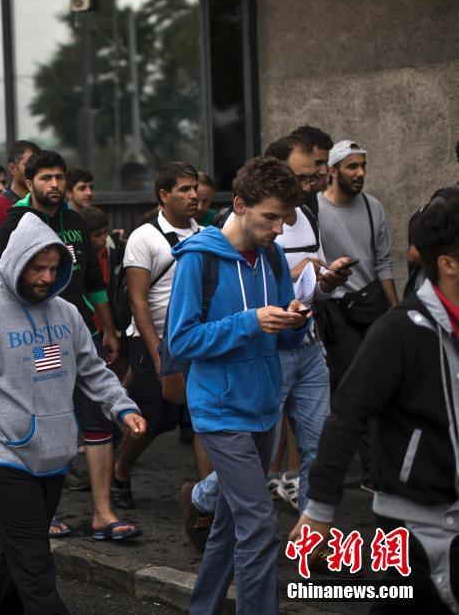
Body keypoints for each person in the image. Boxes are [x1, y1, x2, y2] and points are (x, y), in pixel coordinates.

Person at [0, 213, 146, 615]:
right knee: (36, 564)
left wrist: (122, 406)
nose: (46, 277)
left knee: (21, 552)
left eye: (53, 268)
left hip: (55, 452)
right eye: (36, 268)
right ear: (15, 264)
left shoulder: (67, 312)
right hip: (5, 456)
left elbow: (93, 370)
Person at [291, 191, 459, 611]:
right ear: (449, 264)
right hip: (412, 519)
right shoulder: (399, 331)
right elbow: (346, 416)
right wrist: (320, 510)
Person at [185, 139, 354, 549]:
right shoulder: (211, 248)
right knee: (254, 501)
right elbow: (186, 337)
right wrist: (254, 320)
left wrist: (314, 292)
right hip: (248, 374)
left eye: (313, 176)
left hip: (304, 349)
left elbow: (289, 302)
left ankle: (311, 541)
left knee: (317, 447)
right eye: (299, 176)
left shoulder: (302, 219)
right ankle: (200, 499)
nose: (308, 184)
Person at [165, 156, 310, 614]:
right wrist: (252, 322)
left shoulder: (270, 254)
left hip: (265, 406)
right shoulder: (199, 259)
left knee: (231, 525)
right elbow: (182, 339)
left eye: (285, 218)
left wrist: (300, 312)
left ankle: (203, 609)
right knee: (260, 526)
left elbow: (281, 331)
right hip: (220, 410)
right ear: (241, 205)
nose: (280, 229)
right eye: (271, 217)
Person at [0, 150, 135, 542]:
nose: (54, 185)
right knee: (47, 420)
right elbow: (5, 287)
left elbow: (92, 280)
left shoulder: (74, 222)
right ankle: (43, 514)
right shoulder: (16, 225)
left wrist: (109, 329)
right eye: (46, 178)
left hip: (81, 334)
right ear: (29, 181)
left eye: (59, 177)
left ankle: (103, 513)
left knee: (97, 417)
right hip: (37, 340)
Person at [113, 163, 206, 512]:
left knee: (200, 416)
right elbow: (137, 299)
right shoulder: (145, 236)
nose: (193, 195)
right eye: (184, 189)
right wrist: (156, 351)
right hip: (153, 339)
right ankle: (120, 472)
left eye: (194, 187)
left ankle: (204, 501)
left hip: (194, 340)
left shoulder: (205, 235)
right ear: (164, 196)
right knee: (153, 416)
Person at [316, 140, 397, 392]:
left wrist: (394, 308)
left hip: (371, 305)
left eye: (363, 166)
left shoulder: (373, 207)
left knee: (382, 378)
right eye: (352, 166)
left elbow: (383, 263)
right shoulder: (316, 208)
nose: (360, 173)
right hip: (337, 310)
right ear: (333, 171)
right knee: (351, 382)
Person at [0, 140, 40, 287]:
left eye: (38, 165)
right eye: (28, 164)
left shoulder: (45, 205)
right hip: (6, 297)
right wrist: (23, 282)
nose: (34, 169)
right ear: (12, 168)